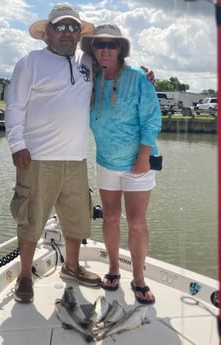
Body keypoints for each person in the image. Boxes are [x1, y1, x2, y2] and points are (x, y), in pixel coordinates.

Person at [5, 3, 101, 303]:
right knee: (31, 220)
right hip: (37, 158)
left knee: (77, 219)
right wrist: (16, 144)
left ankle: (71, 267)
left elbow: (118, 68)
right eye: (60, 27)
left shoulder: (87, 62)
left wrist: (145, 75)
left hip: (75, 158)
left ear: (78, 35)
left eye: (73, 27)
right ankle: (24, 276)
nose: (67, 32)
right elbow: (15, 106)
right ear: (46, 34)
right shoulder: (30, 62)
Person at [81, 24, 161, 304]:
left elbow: (152, 118)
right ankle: (114, 268)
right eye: (99, 44)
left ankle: (138, 278)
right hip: (106, 160)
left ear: (121, 49)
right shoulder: (87, 78)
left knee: (137, 222)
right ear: (92, 49)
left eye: (111, 44)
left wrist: (143, 155)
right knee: (111, 218)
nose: (105, 49)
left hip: (138, 162)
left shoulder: (138, 77)